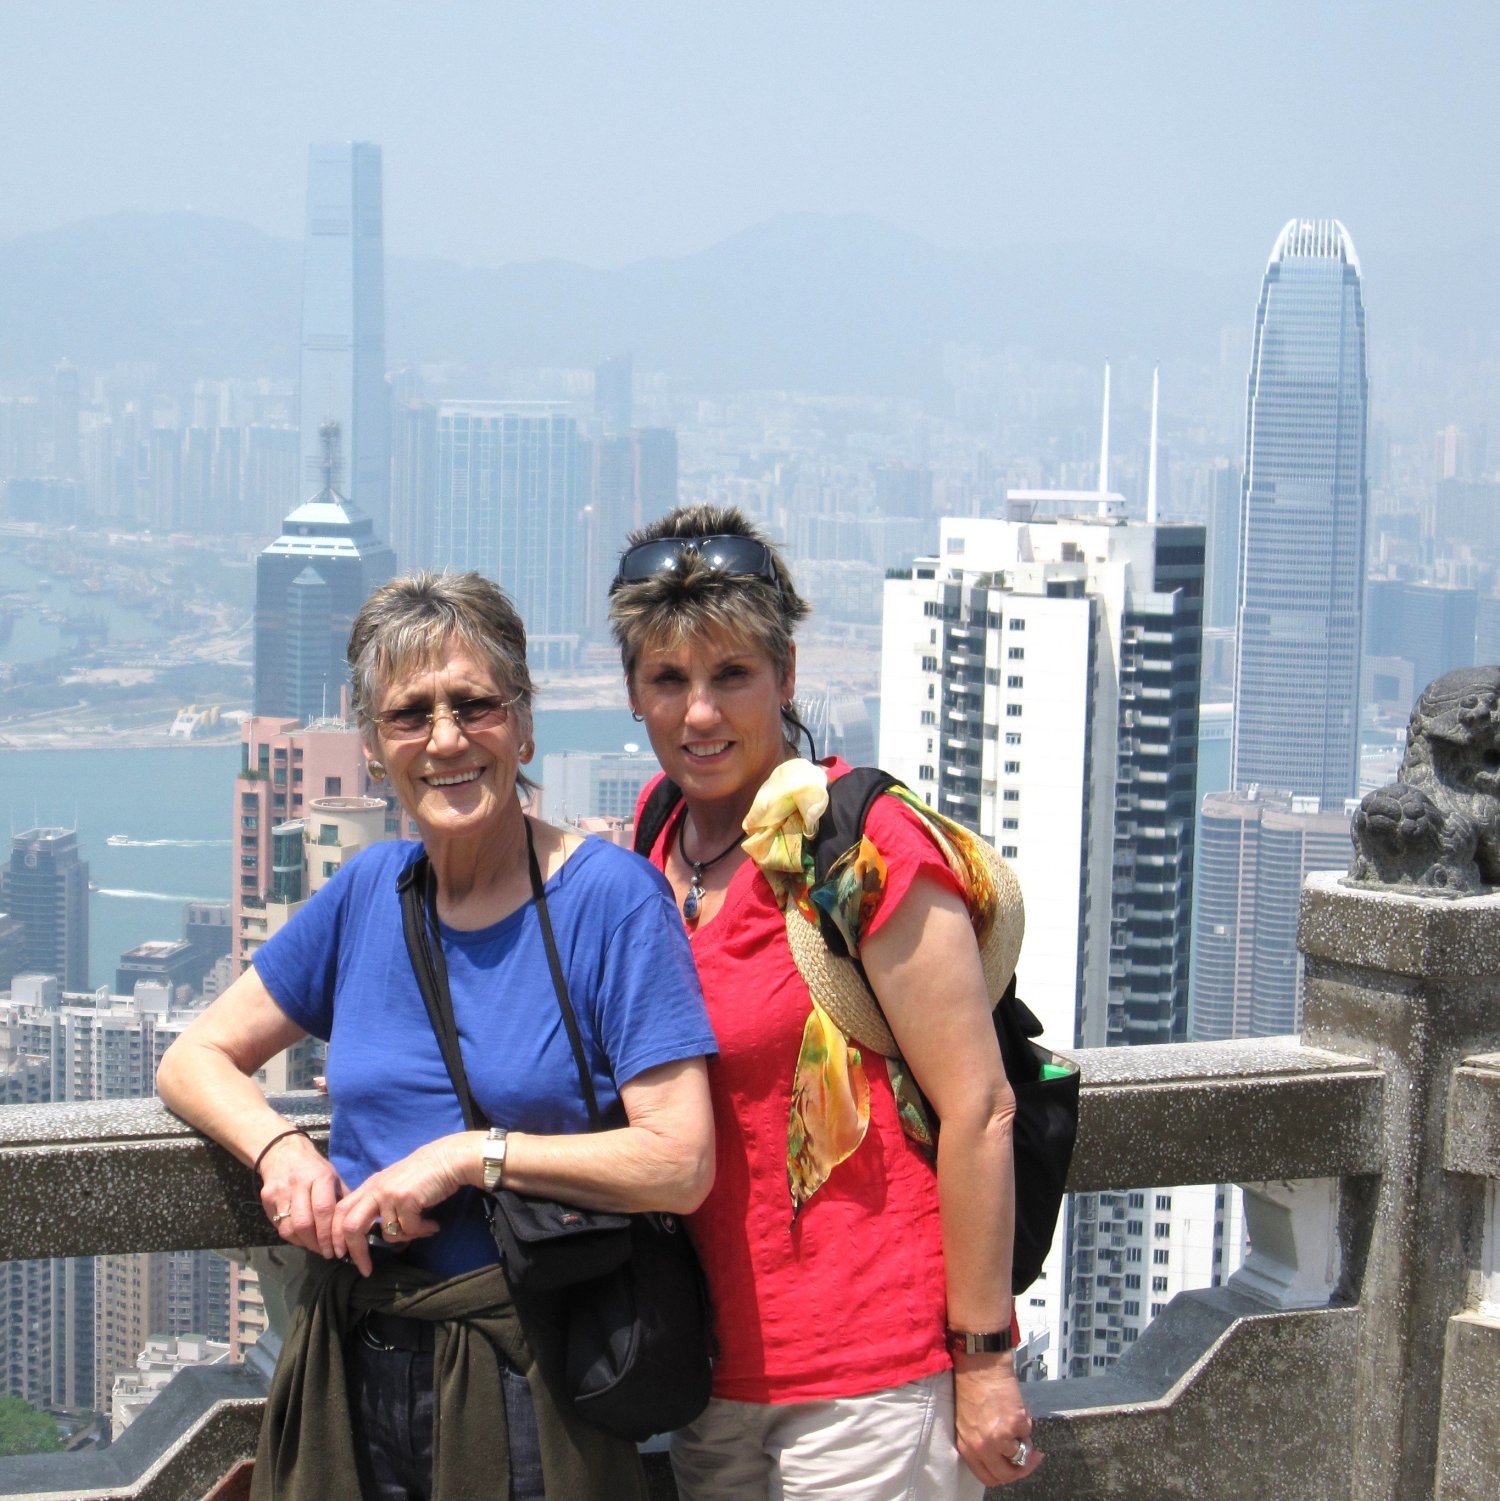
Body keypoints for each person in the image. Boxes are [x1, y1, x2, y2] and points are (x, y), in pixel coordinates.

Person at [157, 571, 718, 1501]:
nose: (447, 738)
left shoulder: (608, 902)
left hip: (524, 1377)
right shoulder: (368, 892)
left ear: (525, 724)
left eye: (474, 704)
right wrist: (282, 1148)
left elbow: (681, 1157)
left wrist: (469, 1157)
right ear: (376, 749)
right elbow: (194, 1057)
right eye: (410, 715)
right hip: (353, 1368)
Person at [607, 506, 1041, 1498]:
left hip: (874, 1378)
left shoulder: (863, 846)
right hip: (712, 1374)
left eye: (731, 677)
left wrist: (984, 1362)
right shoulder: (656, 831)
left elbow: (979, 1108)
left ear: (786, 677)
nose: (700, 713)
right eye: (669, 680)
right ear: (633, 692)